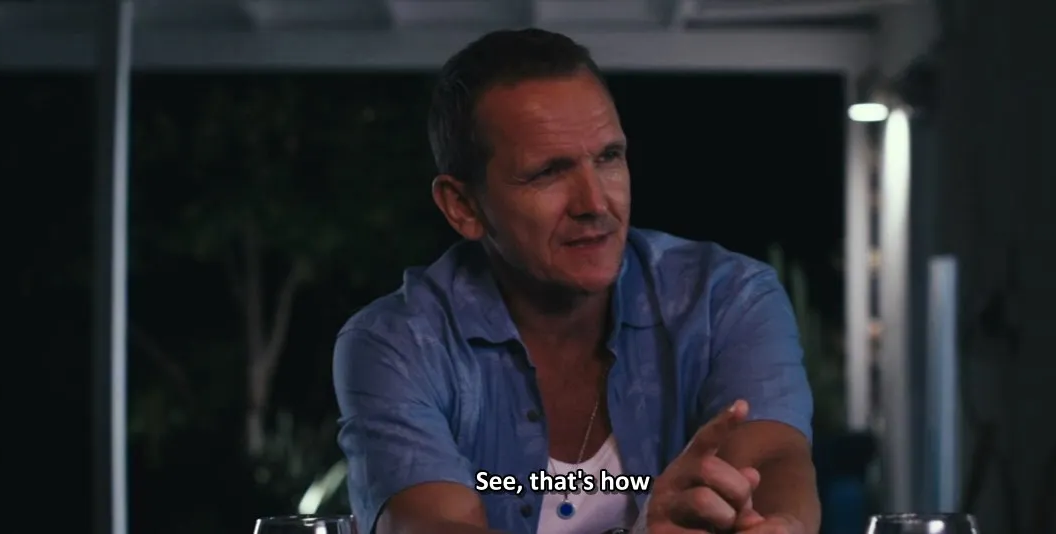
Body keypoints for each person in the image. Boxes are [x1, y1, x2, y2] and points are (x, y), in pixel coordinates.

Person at [332, 28, 819, 534]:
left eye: (608, 157)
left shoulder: (726, 298)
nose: (595, 203)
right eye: (547, 172)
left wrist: (777, 525)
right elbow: (432, 527)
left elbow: (772, 461)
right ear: (464, 206)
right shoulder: (398, 343)